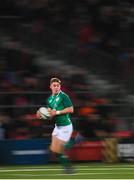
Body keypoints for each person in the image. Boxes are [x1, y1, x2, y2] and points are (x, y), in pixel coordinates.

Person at [37, 77, 75, 174]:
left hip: (66, 126)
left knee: (59, 149)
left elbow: (71, 109)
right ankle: (68, 168)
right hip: (57, 127)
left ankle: (76, 141)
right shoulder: (49, 99)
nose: (56, 87)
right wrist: (42, 115)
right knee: (53, 150)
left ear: (60, 86)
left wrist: (57, 112)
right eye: (54, 85)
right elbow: (50, 115)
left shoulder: (63, 96)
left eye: (58, 85)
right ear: (50, 87)